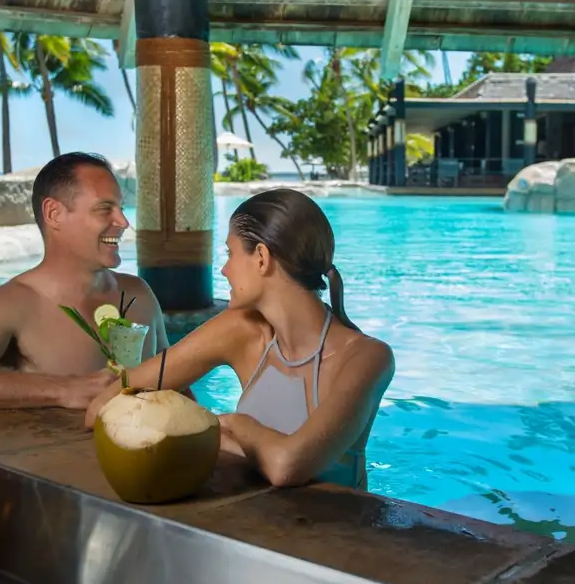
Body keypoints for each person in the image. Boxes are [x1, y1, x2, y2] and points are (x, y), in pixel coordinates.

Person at [85, 188, 394, 490]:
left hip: (332, 536)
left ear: (261, 257)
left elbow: (287, 465)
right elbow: (105, 405)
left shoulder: (366, 358)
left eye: (231, 253)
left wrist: (233, 425)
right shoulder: (241, 331)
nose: (224, 269)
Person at [0, 152, 171, 410]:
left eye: (121, 208)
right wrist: (62, 389)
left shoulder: (139, 295)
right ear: (54, 214)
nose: (123, 222)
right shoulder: (11, 305)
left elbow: (175, 385)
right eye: (104, 209)